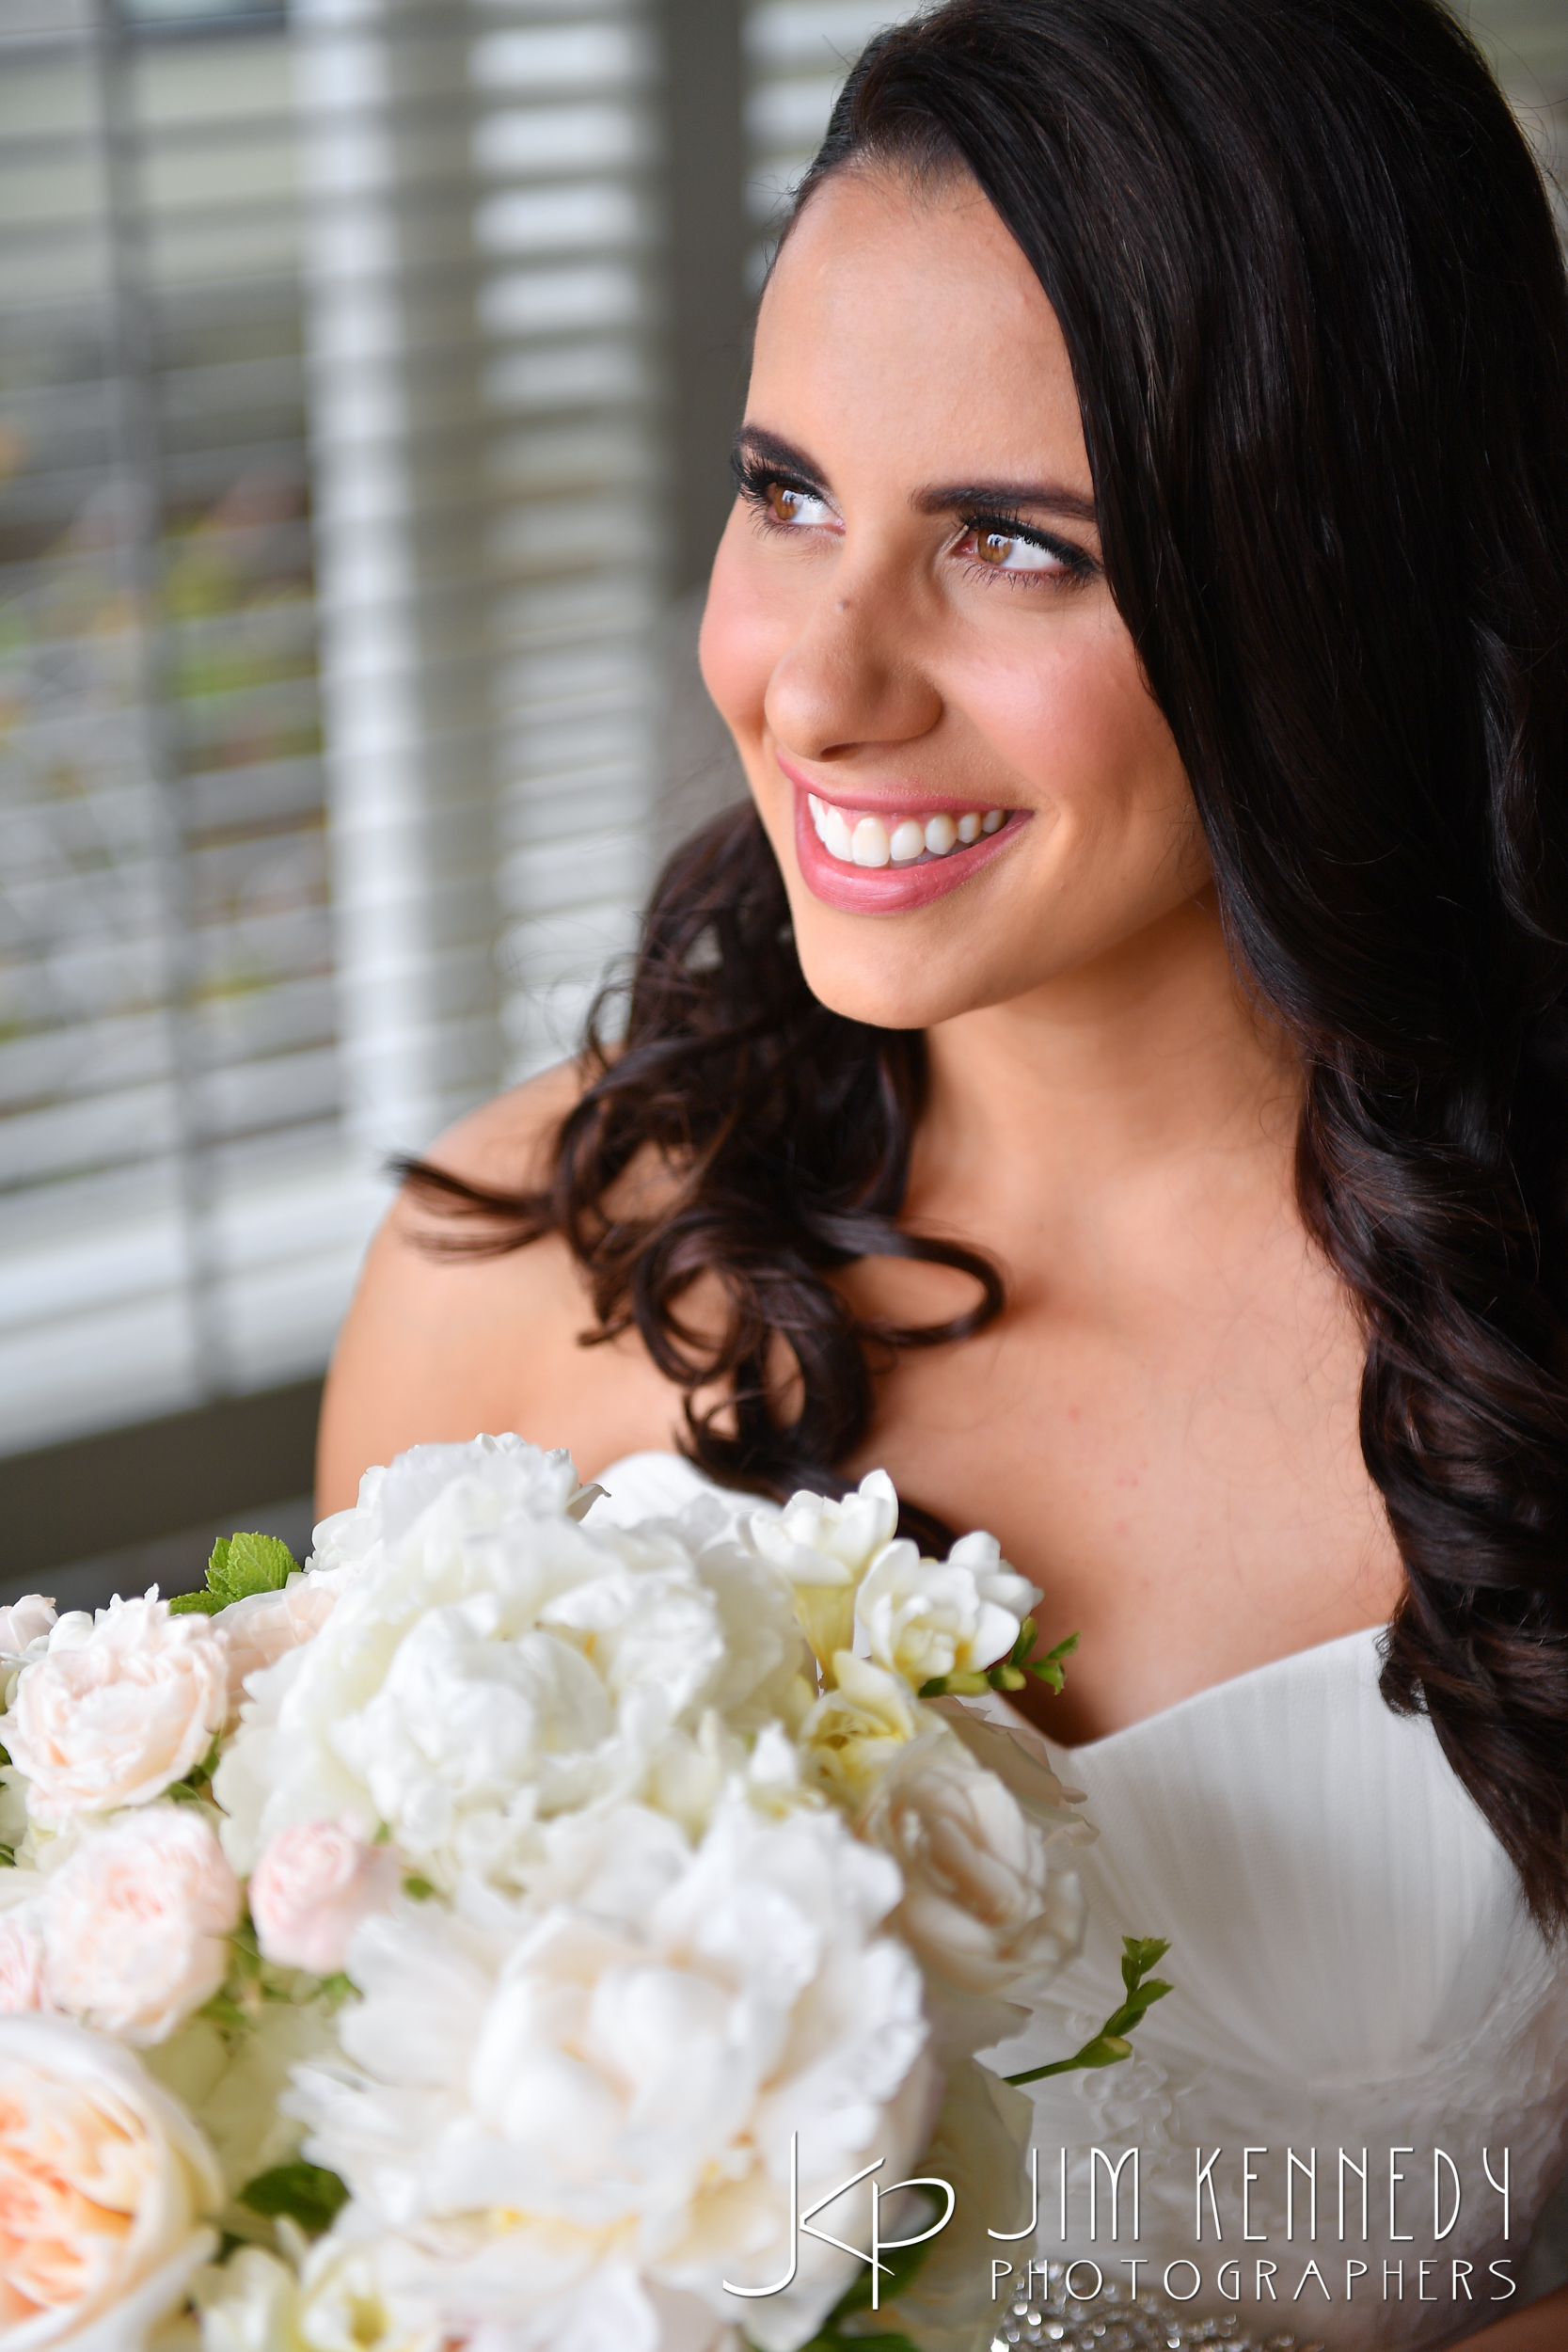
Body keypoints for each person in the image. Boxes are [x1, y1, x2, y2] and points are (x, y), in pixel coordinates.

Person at [316, 0, 1568, 2341]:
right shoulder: (516, 1282)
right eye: (785, 490)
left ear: (1339, 581)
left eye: (1013, 543)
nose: (815, 680)